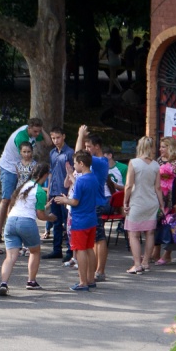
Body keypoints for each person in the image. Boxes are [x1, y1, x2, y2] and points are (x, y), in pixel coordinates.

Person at [0, 163, 56, 295]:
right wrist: (50, 218)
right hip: (26, 222)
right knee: (34, 251)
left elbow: (21, 205)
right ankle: (31, 281)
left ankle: (3, 283)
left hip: (11, 221)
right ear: (45, 175)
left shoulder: (23, 186)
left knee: (10, 256)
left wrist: (45, 207)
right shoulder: (40, 191)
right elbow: (40, 215)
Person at [53, 150, 98, 291]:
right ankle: (91, 279)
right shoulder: (93, 177)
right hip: (91, 219)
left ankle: (83, 282)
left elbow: (75, 201)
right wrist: (71, 176)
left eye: (75, 163)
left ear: (81, 163)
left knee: (80, 250)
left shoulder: (81, 181)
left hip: (80, 220)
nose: (74, 166)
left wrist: (64, 200)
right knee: (89, 249)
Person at [0, 118, 44, 246]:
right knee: (7, 199)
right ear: (29, 128)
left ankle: (15, 230)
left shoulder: (33, 133)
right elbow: (24, 157)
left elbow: (48, 141)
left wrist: (42, 129)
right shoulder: (20, 137)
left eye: (39, 131)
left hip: (22, 169)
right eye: (35, 131)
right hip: (9, 167)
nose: (37, 134)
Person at [75, 125, 111, 283]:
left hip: (95, 203)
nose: (86, 149)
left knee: (99, 238)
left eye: (89, 146)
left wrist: (80, 135)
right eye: (86, 146)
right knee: (95, 239)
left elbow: (78, 155)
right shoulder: (97, 162)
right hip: (93, 202)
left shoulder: (100, 161)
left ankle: (99, 271)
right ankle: (94, 272)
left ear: (97, 147)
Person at [122, 137, 162, 274]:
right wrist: (162, 204)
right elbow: (158, 187)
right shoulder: (156, 165)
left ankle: (137, 264)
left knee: (133, 234)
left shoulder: (134, 163)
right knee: (150, 233)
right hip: (152, 202)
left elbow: (129, 185)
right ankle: (146, 262)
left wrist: (125, 201)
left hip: (137, 201)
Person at [153, 136, 176, 266]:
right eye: (160, 147)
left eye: (163, 147)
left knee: (170, 226)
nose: (160, 149)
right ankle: (155, 253)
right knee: (156, 225)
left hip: (171, 199)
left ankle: (167, 255)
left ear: (171, 148)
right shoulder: (158, 161)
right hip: (159, 198)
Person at [44, 126, 74, 260]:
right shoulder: (52, 153)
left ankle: (70, 250)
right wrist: (49, 189)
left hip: (65, 192)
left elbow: (72, 173)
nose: (56, 141)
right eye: (53, 138)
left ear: (63, 136)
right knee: (55, 221)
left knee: (67, 222)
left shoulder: (69, 153)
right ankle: (56, 249)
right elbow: (51, 172)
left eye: (58, 137)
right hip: (54, 191)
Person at [104, 27, 123, 95]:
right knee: (112, 76)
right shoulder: (119, 41)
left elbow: (105, 51)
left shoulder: (109, 42)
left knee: (113, 77)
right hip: (118, 60)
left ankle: (121, 89)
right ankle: (109, 92)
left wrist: (100, 58)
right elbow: (120, 51)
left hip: (112, 61)